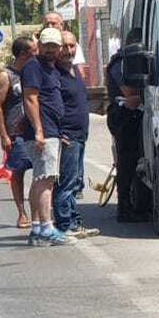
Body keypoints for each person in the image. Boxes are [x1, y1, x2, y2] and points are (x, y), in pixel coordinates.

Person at [19, 27, 74, 246]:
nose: (51, 50)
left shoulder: (50, 67)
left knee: (41, 179)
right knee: (46, 180)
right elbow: (31, 99)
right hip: (42, 133)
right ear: (39, 46)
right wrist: (40, 131)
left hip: (51, 131)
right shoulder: (34, 67)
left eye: (55, 46)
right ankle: (47, 228)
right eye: (47, 46)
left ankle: (37, 228)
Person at [52, 30, 98, 239]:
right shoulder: (54, 74)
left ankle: (73, 221)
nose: (68, 50)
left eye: (72, 46)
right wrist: (58, 133)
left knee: (75, 182)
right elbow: (49, 106)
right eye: (64, 46)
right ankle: (64, 225)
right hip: (67, 136)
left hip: (80, 135)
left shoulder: (74, 71)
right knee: (66, 182)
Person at [0, 36, 36, 228]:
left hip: (35, 131)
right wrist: (4, 136)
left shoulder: (33, 73)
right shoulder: (6, 76)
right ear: (24, 54)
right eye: (34, 51)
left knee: (42, 173)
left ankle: (39, 212)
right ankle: (21, 213)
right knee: (18, 173)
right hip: (16, 133)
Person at [104, 44, 147, 222]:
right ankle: (124, 209)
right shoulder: (120, 64)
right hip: (123, 117)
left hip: (130, 115)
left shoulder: (123, 61)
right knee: (126, 165)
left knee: (133, 163)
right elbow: (130, 95)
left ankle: (134, 205)